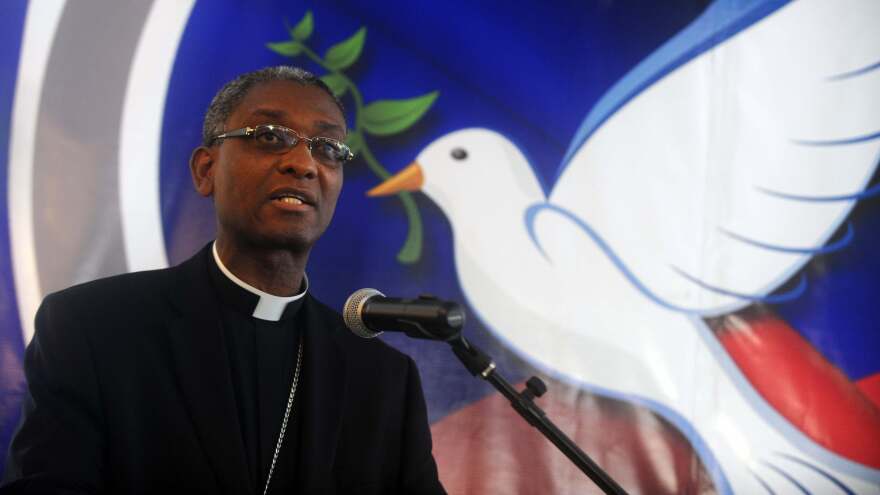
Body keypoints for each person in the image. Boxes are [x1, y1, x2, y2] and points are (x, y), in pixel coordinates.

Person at [2, 66, 445, 494]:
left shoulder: (384, 379)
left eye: (327, 148)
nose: (303, 163)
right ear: (205, 170)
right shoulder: (91, 327)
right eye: (270, 137)